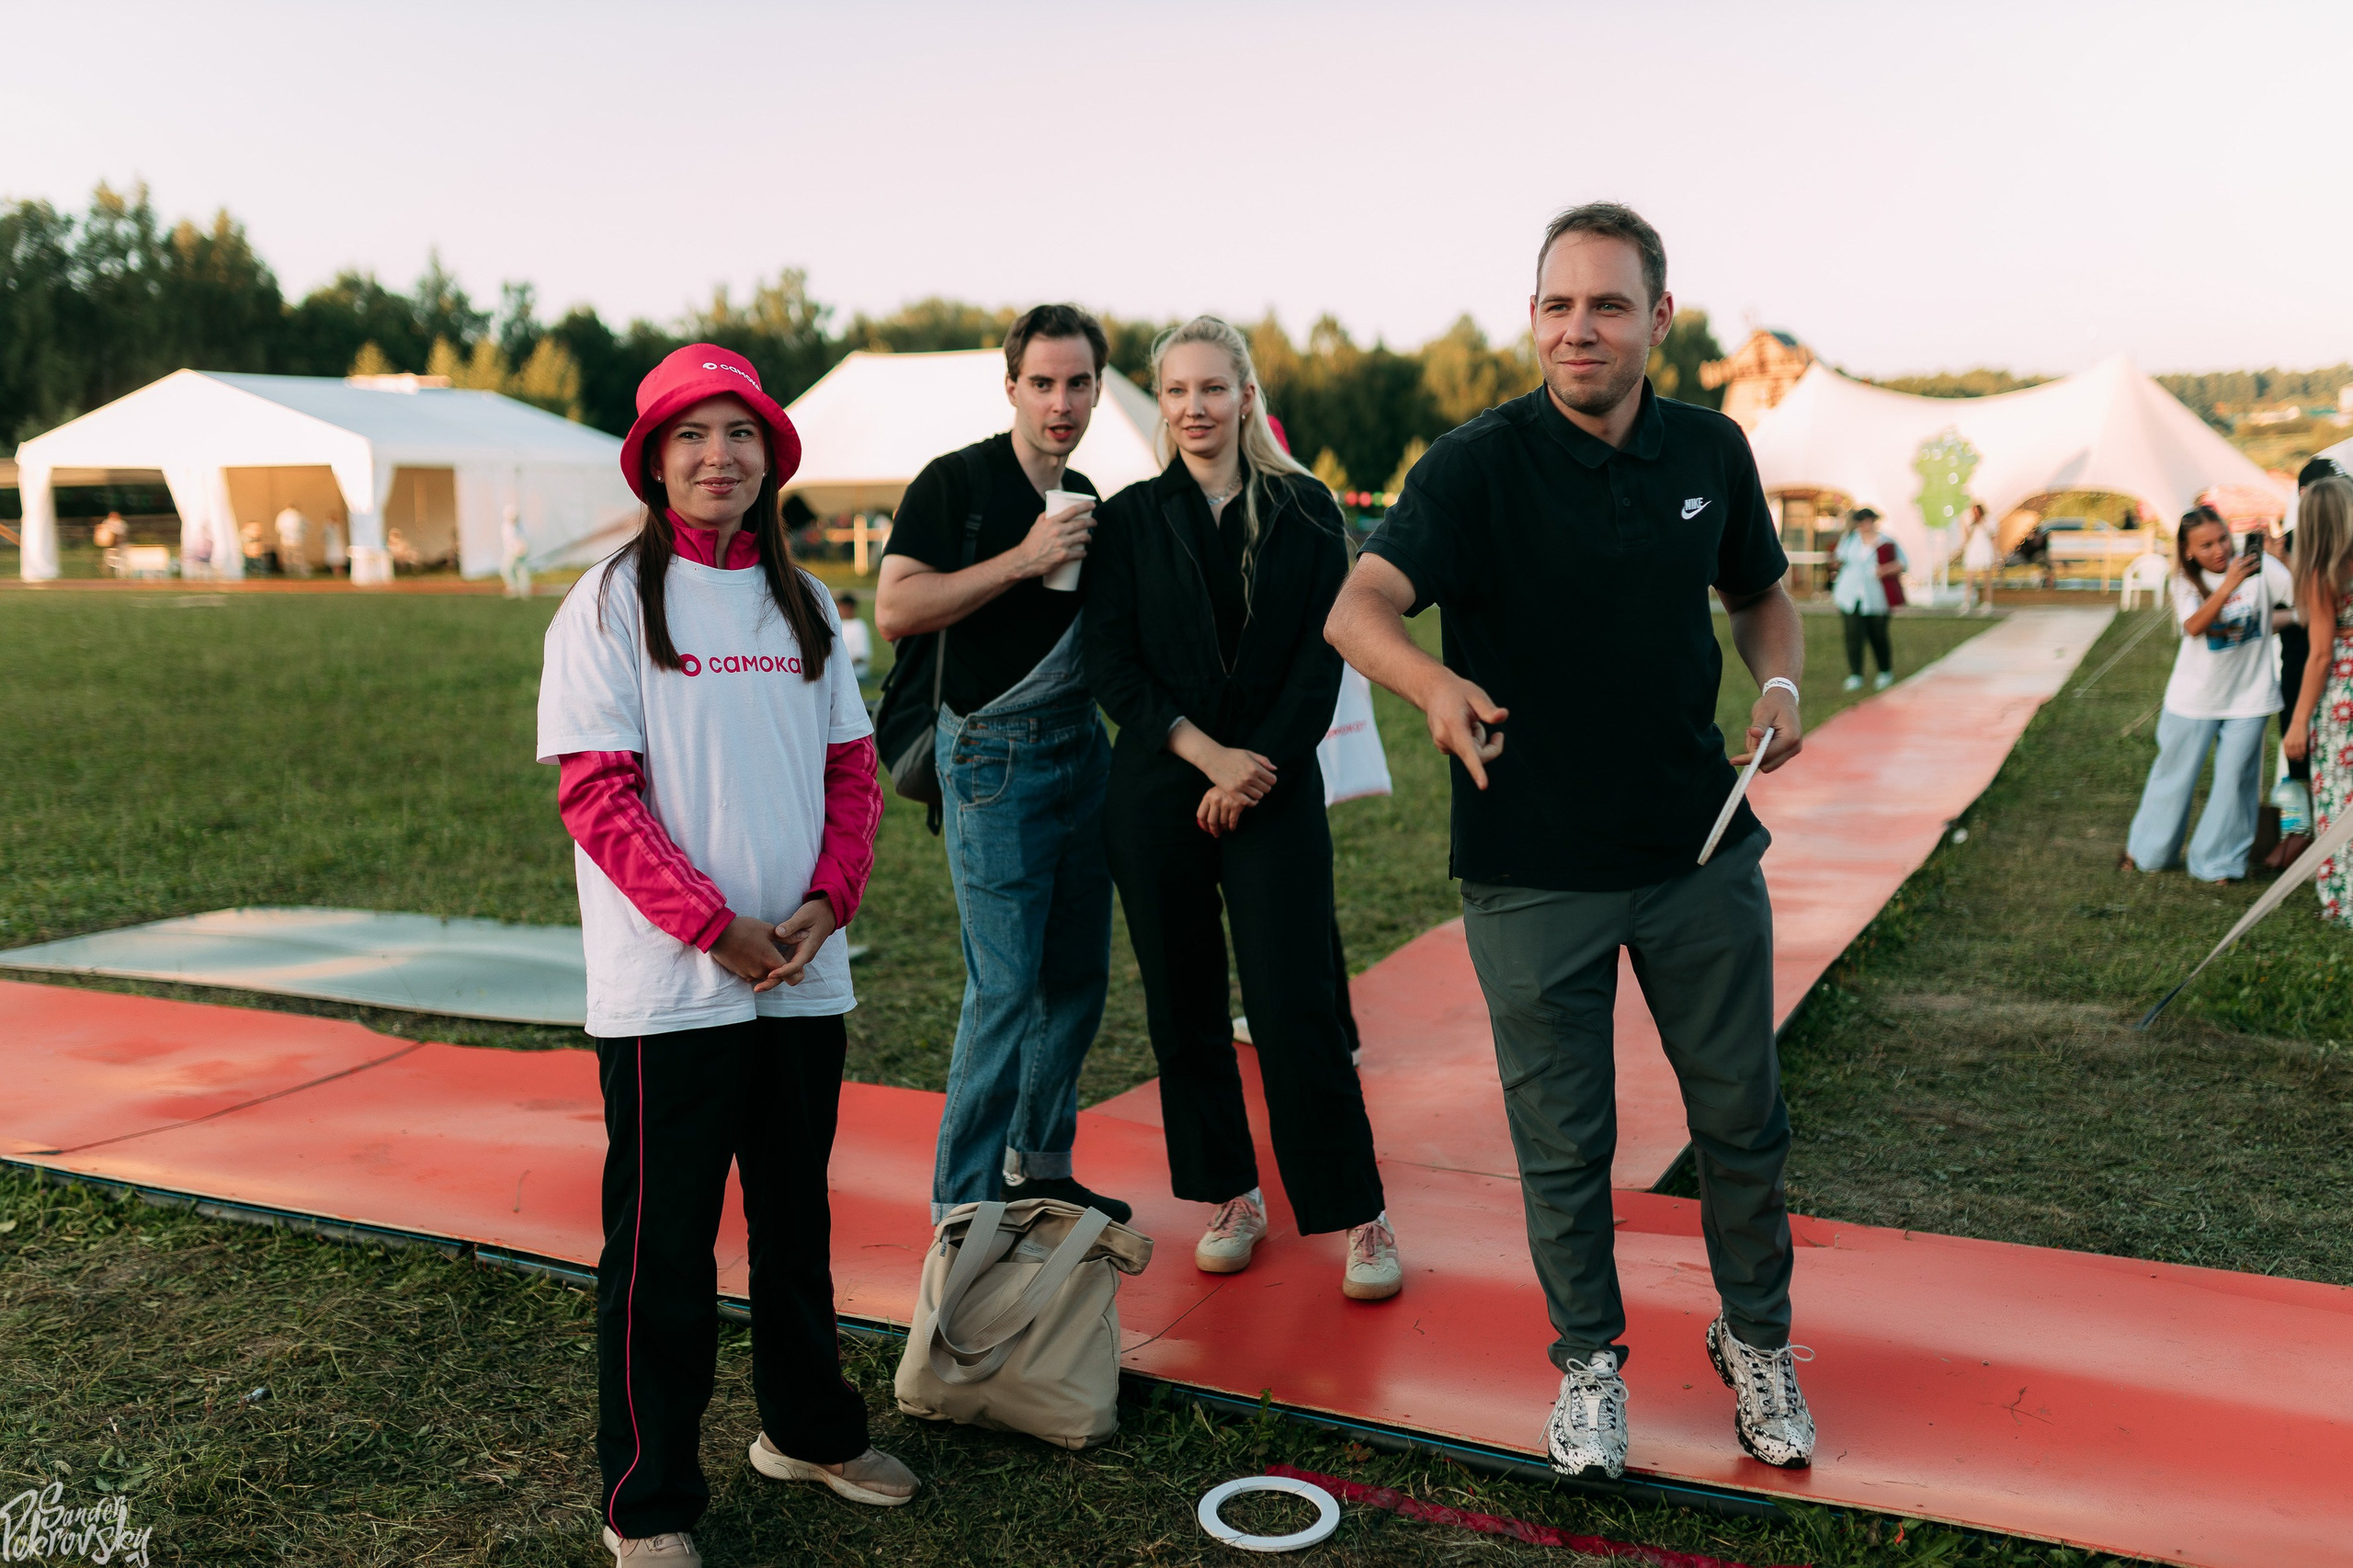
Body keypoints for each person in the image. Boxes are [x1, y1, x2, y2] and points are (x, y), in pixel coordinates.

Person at [1325, 202, 1813, 1481]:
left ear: (1660, 318)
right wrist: (1431, 685)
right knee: (1565, 1144)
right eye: (1557, 305)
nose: (1578, 328)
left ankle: (1758, 1341)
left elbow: (1760, 592)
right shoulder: (1474, 464)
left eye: (1606, 304)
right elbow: (1358, 606)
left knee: (1744, 1123)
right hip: (1531, 868)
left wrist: (1782, 686)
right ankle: (1589, 1366)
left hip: (1699, 849)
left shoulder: (1712, 447)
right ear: (1530, 317)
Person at [539, 344, 917, 1566]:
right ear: (653, 457)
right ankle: (645, 1498)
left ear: (771, 455)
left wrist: (825, 900)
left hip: (803, 975)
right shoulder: (603, 603)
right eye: (692, 434)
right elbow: (599, 797)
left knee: (797, 1219)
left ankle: (808, 1429)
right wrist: (716, 924)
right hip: (671, 992)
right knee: (664, 1250)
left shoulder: (807, 606)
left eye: (741, 433)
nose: (719, 455)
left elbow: (851, 772)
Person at [1084, 315, 1401, 1301]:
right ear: (1160, 401)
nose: (1193, 407)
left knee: (1292, 999)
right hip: (1158, 788)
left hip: (1274, 786)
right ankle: (1230, 1191)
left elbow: (1324, 655)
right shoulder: (1130, 518)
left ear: (1246, 395)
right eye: (1175, 390)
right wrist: (1208, 755)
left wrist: (1255, 765)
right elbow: (1114, 666)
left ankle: (1357, 1209)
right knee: (1183, 1002)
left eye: (1212, 388)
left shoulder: (1304, 508)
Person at [873, 304, 1129, 1224]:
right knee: (1004, 988)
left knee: (1077, 980)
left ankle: (1041, 1163)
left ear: (1098, 388)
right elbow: (895, 609)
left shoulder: (1088, 489)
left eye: (1079, 383)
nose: (1062, 401)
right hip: (990, 757)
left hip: (1079, 752)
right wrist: (1022, 560)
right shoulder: (957, 483)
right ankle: (965, 1204)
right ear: (1012, 385)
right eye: (1044, 382)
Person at [2122, 506, 2293, 883]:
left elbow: (2303, 597)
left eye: (2222, 539)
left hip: (2249, 697)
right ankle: (2149, 851)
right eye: (2206, 545)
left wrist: (2282, 558)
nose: (2219, 550)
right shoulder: (2186, 581)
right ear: (2188, 551)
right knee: (2174, 775)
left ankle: (2218, 862)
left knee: (2236, 782)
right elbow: (2194, 625)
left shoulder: (2261, 568)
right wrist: (2230, 584)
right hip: (2193, 698)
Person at [2268, 459, 2346, 867]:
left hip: (2333, 676)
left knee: (2334, 772)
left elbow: (2320, 646)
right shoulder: (2308, 550)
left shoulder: (2320, 564)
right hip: (2308, 663)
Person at [2283, 475, 2353, 922]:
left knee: (2339, 791)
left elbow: (2321, 653)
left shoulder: (2321, 571)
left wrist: (2297, 721)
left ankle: (2343, 896)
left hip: (2344, 691)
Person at [1832, 506, 1904, 690]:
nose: (1864, 525)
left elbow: (1902, 563)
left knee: (1878, 635)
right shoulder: (1849, 540)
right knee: (1853, 635)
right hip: (1851, 595)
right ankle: (1855, 674)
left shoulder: (1886, 541)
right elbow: (1839, 559)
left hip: (1876, 596)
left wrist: (1885, 570)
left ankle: (1884, 670)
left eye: (1867, 520)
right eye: (1860, 521)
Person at [1961, 502, 1998, 614]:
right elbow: (1968, 538)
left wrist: (1996, 553)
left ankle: (1988, 603)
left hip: (1984, 550)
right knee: (1969, 579)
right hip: (1973, 551)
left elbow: (1993, 535)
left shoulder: (1988, 520)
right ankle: (1966, 603)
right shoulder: (1972, 524)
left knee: (1986, 579)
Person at [835, 590, 872, 681]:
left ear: (849, 607)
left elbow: (861, 657)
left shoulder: (859, 626)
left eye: (840, 607)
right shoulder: (839, 624)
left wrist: (841, 665)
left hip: (856, 673)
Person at [501, 504, 532, 599]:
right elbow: (508, 540)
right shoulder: (506, 526)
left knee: (520, 570)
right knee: (509, 569)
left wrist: (522, 547)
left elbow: (525, 538)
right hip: (512, 551)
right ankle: (515, 588)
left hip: (520, 551)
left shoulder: (520, 525)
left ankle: (522, 590)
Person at [276, 504, 312, 577]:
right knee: (297, 556)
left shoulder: (282, 515)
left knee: (287, 556)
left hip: (285, 538)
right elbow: (305, 526)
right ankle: (300, 571)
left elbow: (278, 527)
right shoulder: (298, 515)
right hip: (296, 539)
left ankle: (288, 571)